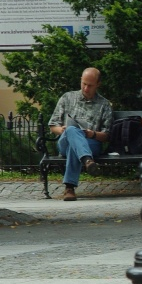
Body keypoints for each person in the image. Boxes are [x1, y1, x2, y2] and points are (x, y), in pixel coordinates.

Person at [48, 67, 114, 201]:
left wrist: (92, 134)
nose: (85, 88)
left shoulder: (104, 104)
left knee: (75, 145)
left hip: (91, 142)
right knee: (72, 131)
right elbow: (52, 125)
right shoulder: (67, 97)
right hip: (65, 141)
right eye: (84, 84)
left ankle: (69, 188)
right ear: (80, 81)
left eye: (90, 85)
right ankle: (87, 161)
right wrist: (63, 130)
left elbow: (107, 135)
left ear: (98, 85)